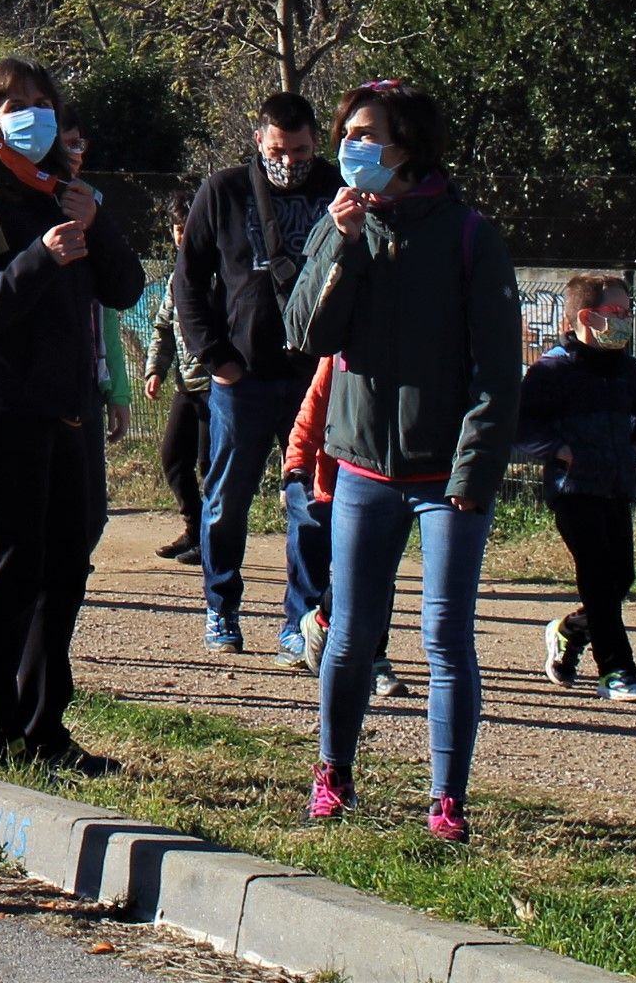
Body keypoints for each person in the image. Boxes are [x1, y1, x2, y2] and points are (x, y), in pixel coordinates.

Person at [287, 79, 520, 845]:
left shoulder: (468, 236)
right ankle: (333, 775)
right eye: (346, 133)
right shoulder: (341, 224)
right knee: (351, 634)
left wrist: (471, 472)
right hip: (361, 469)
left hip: (445, 479)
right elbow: (309, 333)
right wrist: (343, 247)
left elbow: (497, 370)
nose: (349, 146)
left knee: (446, 638)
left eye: (365, 134)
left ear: (408, 145)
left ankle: (447, 801)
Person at [0, 58, 144, 774]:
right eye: (13, 103)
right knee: (12, 565)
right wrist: (37, 259)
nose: (31, 114)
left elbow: (123, 287)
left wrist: (95, 223)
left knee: (67, 564)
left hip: (68, 404)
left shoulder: (67, 194)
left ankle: (45, 726)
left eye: (41, 102)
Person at [177, 92, 339, 661]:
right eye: (278, 149)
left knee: (311, 505)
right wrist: (215, 357)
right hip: (240, 379)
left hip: (312, 380)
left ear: (317, 143)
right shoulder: (223, 191)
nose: (289, 161)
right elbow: (188, 281)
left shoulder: (340, 190)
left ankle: (300, 620)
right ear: (258, 141)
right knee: (225, 500)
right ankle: (221, 606)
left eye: (299, 150)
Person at [521, 274, 636, 703]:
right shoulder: (553, 369)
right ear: (587, 317)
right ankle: (616, 671)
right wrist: (558, 450)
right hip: (573, 489)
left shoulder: (626, 369)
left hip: (617, 486)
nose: (625, 321)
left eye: (627, 313)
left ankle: (569, 631)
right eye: (616, 313)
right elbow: (519, 424)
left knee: (620, 577)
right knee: (599, 577)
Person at [146, 207, 209, 565]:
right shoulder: (175, 278)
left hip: (219, 386)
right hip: (186, 384)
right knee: (173, 457)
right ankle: (194, 528)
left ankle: (214, 540)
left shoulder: (222, 270)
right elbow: (163, 328)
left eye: (188, 226)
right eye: (177, 228)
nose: (182, 235)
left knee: (209, 465)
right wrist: (155, 368)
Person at [284, 354, 340, 672]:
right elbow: (315, 405)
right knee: (309, 549)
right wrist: (297, 463)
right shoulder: (342, 352)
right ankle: (300, 628)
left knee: (371, 571)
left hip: (393, 481)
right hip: (335, 476)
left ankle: (375, 654)